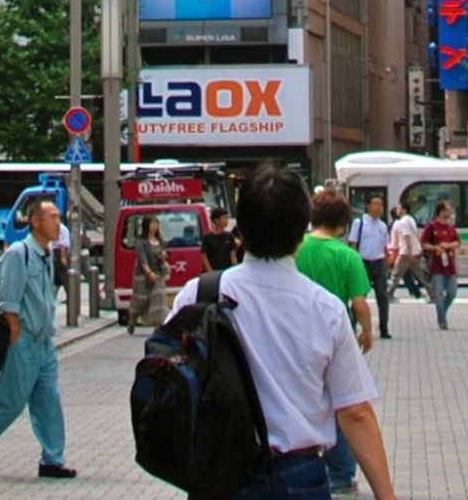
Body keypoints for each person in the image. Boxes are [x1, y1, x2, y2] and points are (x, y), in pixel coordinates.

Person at [169, 162, 397, 500]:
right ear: (300, 230)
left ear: (240, 228)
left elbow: (170, 380)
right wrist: (386, 495)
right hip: (298, 474)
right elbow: (354, 412)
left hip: (217, 470)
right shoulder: (325, 308)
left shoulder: (200, 294)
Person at [0, 195, 76, 481]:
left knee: (48, 400)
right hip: (23, 340)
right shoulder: (18, 254)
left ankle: (52, 459)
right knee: (11, 401)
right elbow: (9, 299)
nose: (58, 223)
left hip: (43, 342)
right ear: (35, 221)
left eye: (59, 217)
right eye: (53, 217)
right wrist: (15, 333)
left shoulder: (45, 255)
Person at [296, 189, 372, 500]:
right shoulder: (347, 256)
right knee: (343, 406)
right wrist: (367, 331)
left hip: (297, 337)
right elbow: (359, 303)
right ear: (342, 222)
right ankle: (340, 477)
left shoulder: (297, 249)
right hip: (334, 340)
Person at [348, 196, 391, 339]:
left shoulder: (383, 226)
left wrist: (387, 263)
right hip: (363, 263)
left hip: (378, 264)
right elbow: (353, 244)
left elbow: (385, 247)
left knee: (383, 297)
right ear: (368, 206)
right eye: (375, 204)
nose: (378, 207)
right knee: (359, 297)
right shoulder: (359, 223)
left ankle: (384, 328)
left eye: (380, 204)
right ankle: (352, 325)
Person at [421, 199, 461, 331]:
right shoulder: (431, 227)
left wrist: (448, 245)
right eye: (448, 210)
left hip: (450, 264)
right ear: (441, 211)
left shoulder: (451, 228)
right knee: (438, 293)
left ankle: (442, 311)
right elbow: (424, 243)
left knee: (452, 292)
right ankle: (442, 321)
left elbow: (458, 243)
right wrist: (436, 248)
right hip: (437, 264)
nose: (450, 212)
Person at [127, 214, 169, 337]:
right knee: (141, 299)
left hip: (158, 273)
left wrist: (163, 257)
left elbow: (163, 253)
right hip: (142, 275)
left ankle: (158, 325)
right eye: (152, 223)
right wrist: (148, 272)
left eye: (157, 223)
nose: (155, 226)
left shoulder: (160, 241)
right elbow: (142, 259)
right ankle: (133, 319)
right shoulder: (141, 242)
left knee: (158, 299)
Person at [386, 205, 425, 300]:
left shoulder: (400, 222)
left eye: (399, 209)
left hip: (403, 252)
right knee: (418, 275)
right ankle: (428, 293)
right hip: (407, 251)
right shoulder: (408, 220)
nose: (398, 210)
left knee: (397, 274)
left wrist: (409, 251)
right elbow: (412, 236)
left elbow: (406, 237)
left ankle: (389, 294)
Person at [202, 207, 240, 273]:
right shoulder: (207, 237)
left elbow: (233, 255)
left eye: (227, 218)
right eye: (224, 218)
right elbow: (204, 256)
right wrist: (211, 272)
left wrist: (236, 270)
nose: (227, 220)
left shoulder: (229, 236)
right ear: (216, 220)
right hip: (214, 272)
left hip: (228, 272)